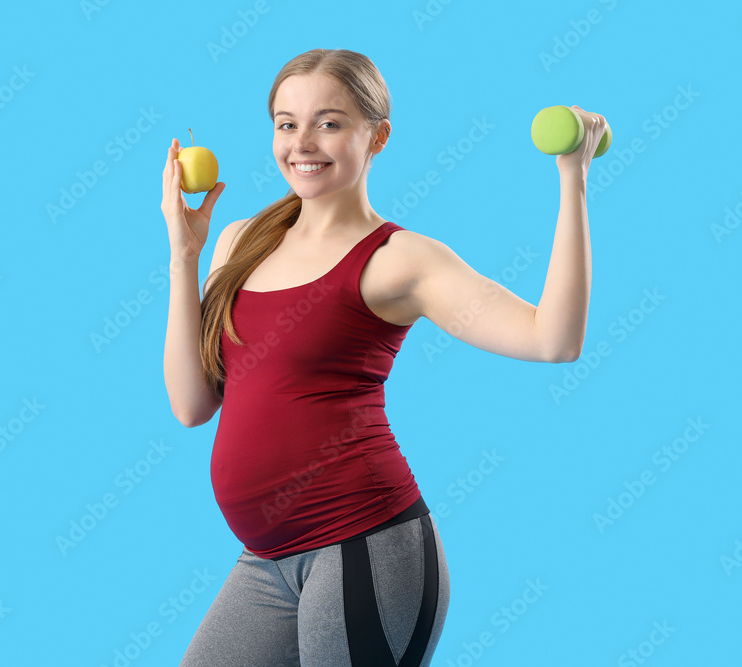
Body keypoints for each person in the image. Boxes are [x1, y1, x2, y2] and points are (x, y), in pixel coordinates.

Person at [160, 48, 606, 667]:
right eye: (286, 123)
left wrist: (572, 176)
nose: (303, 143)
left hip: (364, 546)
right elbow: (191, 404)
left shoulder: (399, 260)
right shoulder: (238, 241)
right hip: (266, 560)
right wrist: (185, 254)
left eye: (330, 122)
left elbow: (553, 339)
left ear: (378, 136)